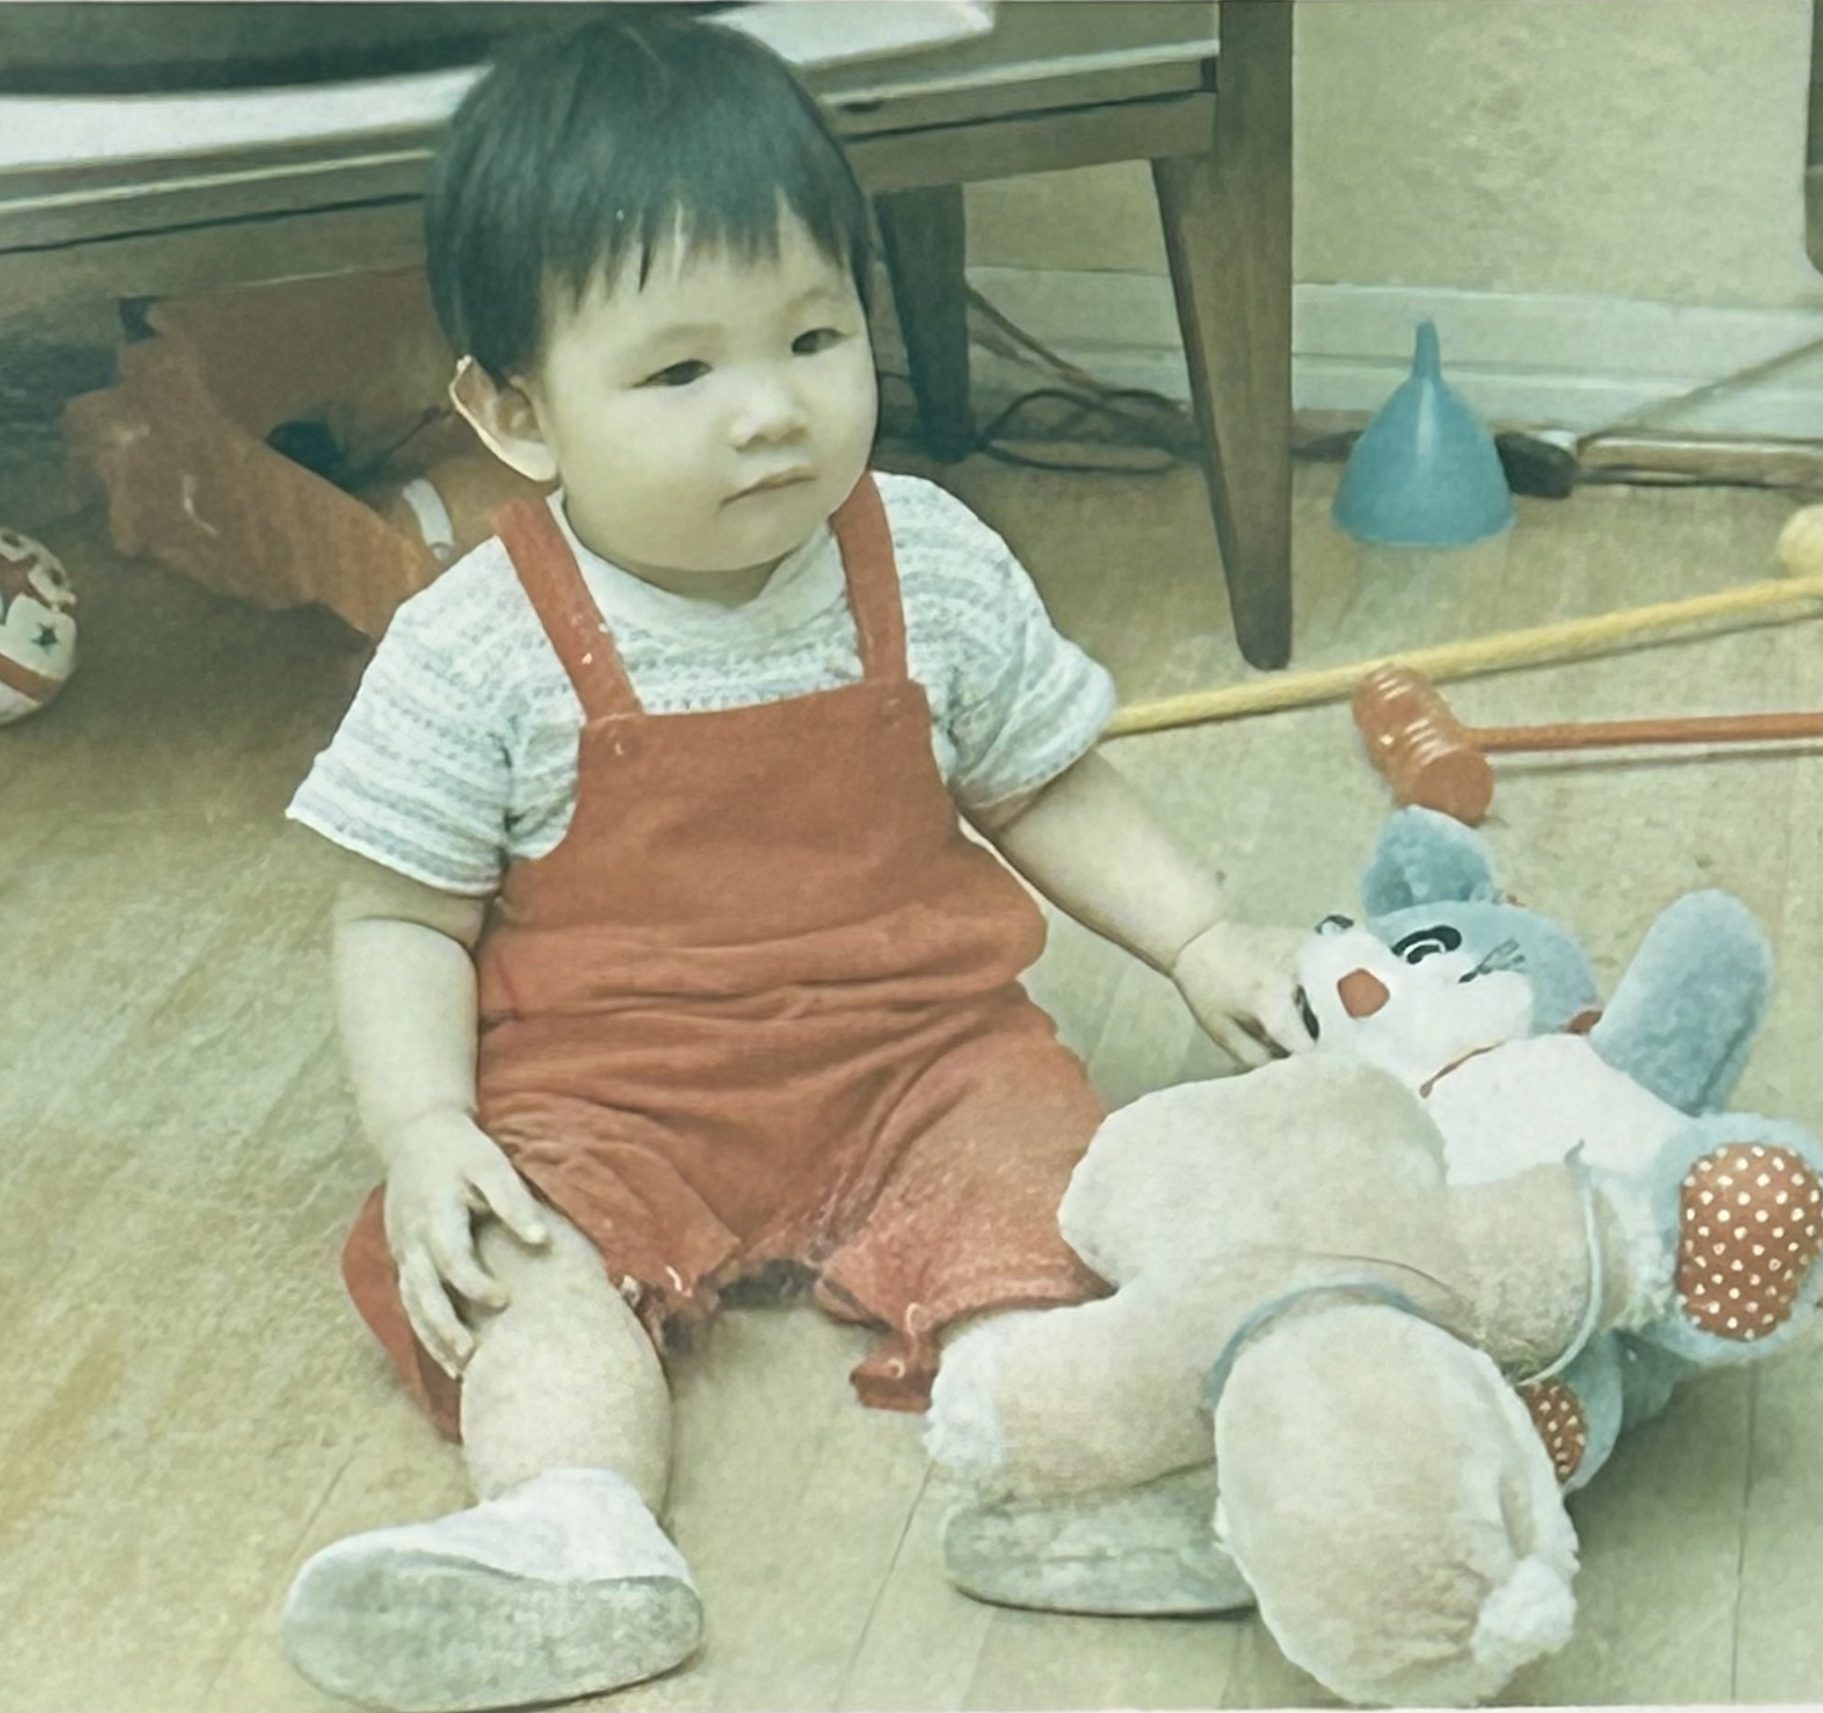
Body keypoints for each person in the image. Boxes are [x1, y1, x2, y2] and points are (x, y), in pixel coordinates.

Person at [276, 12, 1307, 1709]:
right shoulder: (476, 646)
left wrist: (1202, 940)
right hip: (611, 1097)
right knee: (507, 1271)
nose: (768, 413)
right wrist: (425, 1128)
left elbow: (1045, 784)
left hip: (919, 1062)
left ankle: (1057, 1478)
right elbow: (397, 911)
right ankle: (571, 1530)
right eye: (680, 373)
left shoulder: (933, 562)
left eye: (814, 335)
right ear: (517, 411)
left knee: (1055, 1190)